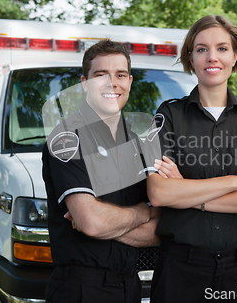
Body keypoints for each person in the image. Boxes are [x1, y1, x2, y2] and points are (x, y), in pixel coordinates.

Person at [146, 15, 237, 303]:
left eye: (222, 48)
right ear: (191, 58)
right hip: (180, 270)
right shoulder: (168, 116)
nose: (212, 57)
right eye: (202, 49)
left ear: (235, 56)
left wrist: (190, 195)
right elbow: (160, 192)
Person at [42, 39, 160, 303]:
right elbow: (92, 222)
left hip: (131, 285)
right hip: (81, 289)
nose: (112, 83)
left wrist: (104, 222)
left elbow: (160, 230)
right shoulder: (65, 138)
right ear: (84, 83)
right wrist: (144, 212)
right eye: (100, 75)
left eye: (119, 75)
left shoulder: (138, 144)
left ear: (129, 82)